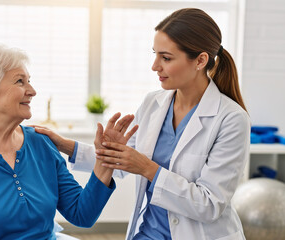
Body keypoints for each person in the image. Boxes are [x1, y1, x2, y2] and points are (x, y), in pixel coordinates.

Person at [34, 8, 251, 240]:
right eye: (155, 54)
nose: (155, 66)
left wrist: (147, 168)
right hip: (148, 233)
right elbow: (125, 160)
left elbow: (209, 205)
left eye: (166, 58)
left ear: (200, 60)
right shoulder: (153, 103)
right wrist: (65, 145)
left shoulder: (231, 119)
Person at [0, 43, 137, 239]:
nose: (32, 91)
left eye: (29, 80)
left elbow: (82, 214)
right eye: (20, 81)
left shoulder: (41, 143)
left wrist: (104, 157)